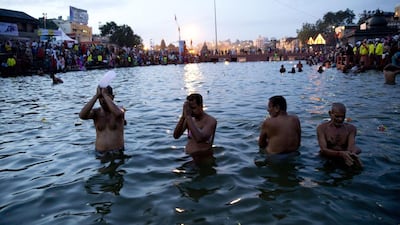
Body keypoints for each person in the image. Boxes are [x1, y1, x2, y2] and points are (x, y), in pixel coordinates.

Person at [79, 85, 126, 160]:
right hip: (100, 154)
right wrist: (96, 96)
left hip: (117, 153)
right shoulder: (96, 113)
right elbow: (82, 115)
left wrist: (105, 95)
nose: (103, 100)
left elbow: (118, 113)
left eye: (105, 97)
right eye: (100, 98)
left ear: (112, 97)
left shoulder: (120, 109)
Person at [173, 93, 217, 165]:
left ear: (201, 106)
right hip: (189, 157)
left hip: (204, 159)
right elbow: (176, 136)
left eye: (193, 108)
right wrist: (183, 116)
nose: (191, 111)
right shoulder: (189, 119)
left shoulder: (210, 121)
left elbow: (200, 138)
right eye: (189, 108)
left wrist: (188, 117)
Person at [317, 102, 362, 168]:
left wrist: (353, 153)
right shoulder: (322, 128)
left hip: (344, 158)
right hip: (327, 158)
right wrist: (340, 154)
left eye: (342, 117)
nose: (340, 119)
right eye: (337, 116)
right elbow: (323, 149)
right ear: (330, 113)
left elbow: (351, 146)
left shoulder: (351, 129)